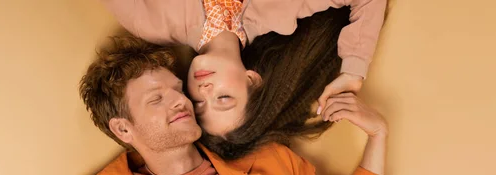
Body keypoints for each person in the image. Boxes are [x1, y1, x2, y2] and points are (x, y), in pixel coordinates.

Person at [78, 34, 389, 175]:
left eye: (176, 89)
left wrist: (378, 134)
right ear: (122, 128)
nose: (180, 100)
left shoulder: (270, 160)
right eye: (156, 99)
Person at [100, 0, 386, 137]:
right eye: (223, 99)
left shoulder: (150, 23)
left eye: (198, 103)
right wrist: (353, 70)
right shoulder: (282, 12)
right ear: (251, 80)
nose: (205, 91)